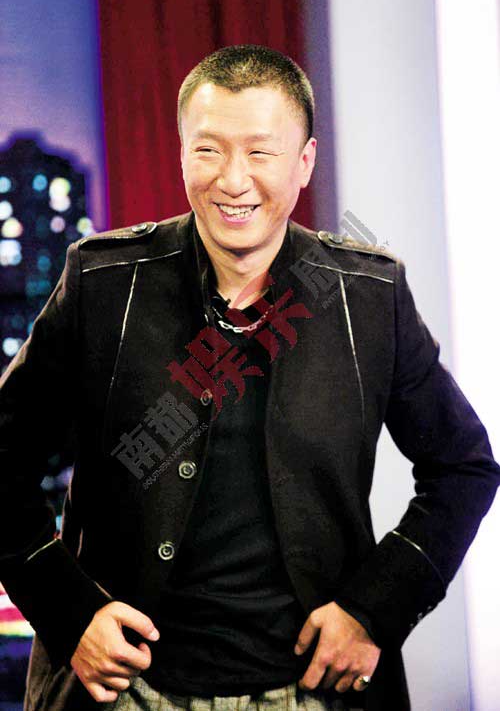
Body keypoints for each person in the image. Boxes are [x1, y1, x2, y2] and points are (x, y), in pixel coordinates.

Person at [0, 45, 498, 711]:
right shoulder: (104, 282)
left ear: (305, 162)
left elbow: (464, 467)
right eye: (208, 150)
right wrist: (69, 613)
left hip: (313, 690)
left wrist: (377, 608)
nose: (233, 180)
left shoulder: (367, 295)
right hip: (128, 688)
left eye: (260, 152)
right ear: (182, 155)